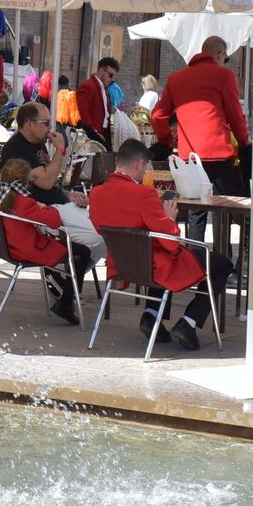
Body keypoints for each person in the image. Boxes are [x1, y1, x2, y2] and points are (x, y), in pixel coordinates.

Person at [88, 138, 232, 350]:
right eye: (145, 167)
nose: (145, 172)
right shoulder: (144, 194)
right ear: (139, 164)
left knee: (156, 250)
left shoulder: (96, 193)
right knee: (222, 264)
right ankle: (188, 322)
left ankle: (152, 314)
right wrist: (169, 218)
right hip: (153, 265)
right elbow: (171, 240)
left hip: (121, 264)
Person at [153, 35, 250, 235]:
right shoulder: (224, 76)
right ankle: (222, 261)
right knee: (221, 209)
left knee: (195, 211)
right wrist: (244, 141)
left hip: (189, 155)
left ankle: (195, 258)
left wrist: (166, 139)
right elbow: (235, 115)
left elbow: (157, 115)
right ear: (220, 54)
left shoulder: (176, 78)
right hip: (218, 153)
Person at [0, 158, 91, 325]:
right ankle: (66, 303)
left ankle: (64, 298)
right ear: (25, 182)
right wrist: (44, 207)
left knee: (76, 251)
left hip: (5, 248)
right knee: (83, 252)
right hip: (27, 249)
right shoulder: (24, 202)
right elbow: (54, 221)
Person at [1, 101, 88, 209]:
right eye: (46, 123)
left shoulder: (38, 144)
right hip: (34, 213)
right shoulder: (17, 147)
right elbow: (46, 182)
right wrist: (60, 149)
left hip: (49, 208)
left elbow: (48, 180)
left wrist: (67, 194)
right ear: (30, 124)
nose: (50, 127)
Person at [75, 57, 119, 150]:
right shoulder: (88, 86)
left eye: (113, 76)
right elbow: (82, 111)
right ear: (102, 70)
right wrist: (94, 131)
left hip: (103, 134)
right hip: (92, 136)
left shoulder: (104, 87)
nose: (112, 79)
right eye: (110, 75)